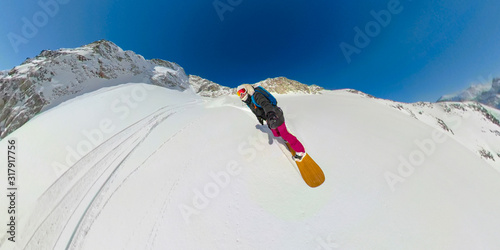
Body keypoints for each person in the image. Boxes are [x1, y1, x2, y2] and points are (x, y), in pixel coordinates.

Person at [237, 84, 306, 161]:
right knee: (276, 133)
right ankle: (285, 137)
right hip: (269, 118)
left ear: (247, 89)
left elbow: (265, 104)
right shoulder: (249, 102)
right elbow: (257, 110)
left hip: (275, 115)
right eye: (238, 93)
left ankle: (301, 151)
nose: (241, 94)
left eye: (242, 91)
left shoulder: (256, 95)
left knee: (284, 134)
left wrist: (270, 114)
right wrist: (261, 118)